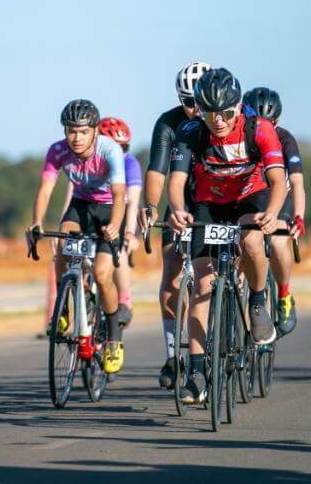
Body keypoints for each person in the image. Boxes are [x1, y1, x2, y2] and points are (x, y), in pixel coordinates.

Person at [168, 68, 288, 403]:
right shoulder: (191, 131)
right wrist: (178, 209)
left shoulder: (259, 129)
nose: (217, 120)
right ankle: (196, 372)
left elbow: (278, 180)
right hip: (210, 202)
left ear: (238, 106)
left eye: (225, 113)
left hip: (251, 196)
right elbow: (176, 183)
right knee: (203, 285)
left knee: (250, 241)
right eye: (209, 113)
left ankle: (257, 301)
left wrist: (273, 212)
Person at [27, 100, 127, 373]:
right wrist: (36, 222)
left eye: (83, 131)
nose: (77, 138)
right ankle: (64, 310)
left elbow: (120, 194)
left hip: (109, 208)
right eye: (71, 131)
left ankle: (114, 339)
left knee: (103, 273)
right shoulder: (58, 151)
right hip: (81, 205)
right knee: (62, 242)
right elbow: (45, 189)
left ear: (95, 130)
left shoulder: (110, 150)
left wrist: (116, 224)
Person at [136, 61, 212, 390]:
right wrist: (151, 206)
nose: (195, 109)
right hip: (180, 201)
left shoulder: (221, 121)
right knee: (171, 269)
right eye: (188, 102)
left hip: (216, 200)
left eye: (200, 101)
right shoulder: (168, 123)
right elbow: (156, 170)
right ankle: (172, 356)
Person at [60, 117, 142, 326]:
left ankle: (124, 300)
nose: (120, 152)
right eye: (116, 146)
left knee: (120, 250)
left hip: (114, 212)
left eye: (125, 147)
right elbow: (71, 197)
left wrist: (130, 234)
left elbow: (131, 201)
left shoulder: (129, 163)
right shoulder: (85, 159)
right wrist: (62, 227)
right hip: (85, 211)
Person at [242, 87, 305, 336]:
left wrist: (298, 218)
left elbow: (298, 183)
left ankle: (284, 295)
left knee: (279, 244)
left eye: (268, 122)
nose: (261, 128)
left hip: (282, 195)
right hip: (253, 196)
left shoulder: (286, 139)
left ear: (277, 122)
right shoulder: (241, 136)